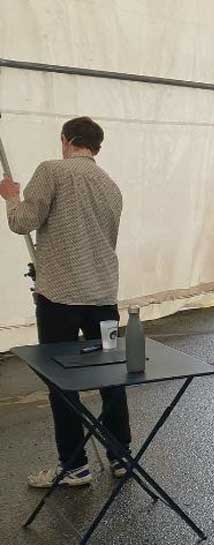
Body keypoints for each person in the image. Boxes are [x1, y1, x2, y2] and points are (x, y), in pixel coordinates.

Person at [1, 116, 131, 487]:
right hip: (103, 294)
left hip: (59, 295)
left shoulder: (52, 170)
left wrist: (11, 196)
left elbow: (23, 221)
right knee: (111, 377)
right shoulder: (111, 186)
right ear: (97, 147)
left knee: (62, 381)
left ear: (66, 140)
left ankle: (74, 466)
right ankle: (121, 456)